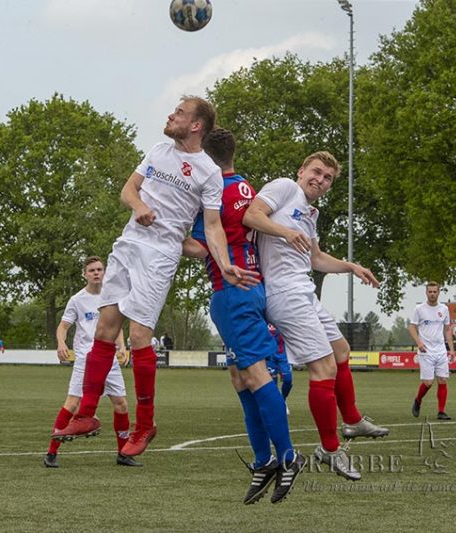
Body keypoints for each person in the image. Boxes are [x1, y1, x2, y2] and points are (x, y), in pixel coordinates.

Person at [52, 97, 257, 458]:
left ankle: (145, 424)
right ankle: (86, 415)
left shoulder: (209, 172)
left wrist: (224, 262)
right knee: (104, 331)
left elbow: (212, 226)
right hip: (127, 245)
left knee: (138, 335)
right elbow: (127, 190)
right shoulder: (159, 150)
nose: (171, 116)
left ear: (196, 125)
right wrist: (139, 206)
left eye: (179, 113)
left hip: (160, 255)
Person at [243, 150, 389, 482]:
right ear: (301, 170)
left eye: (327, 178)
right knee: (323, 368)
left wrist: (351, 267)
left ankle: (352, 420)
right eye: (316, 172)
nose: (320, 180)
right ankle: (330, 450)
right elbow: (252, 215)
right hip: (284, 293)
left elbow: (316, 258)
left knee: (341, 352)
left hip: (304, 290)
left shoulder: (310, 213)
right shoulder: (284, 187)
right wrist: (284, 232)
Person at [184, 128, 302, 503]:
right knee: (240, 378)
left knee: (254, 375)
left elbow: (200, 247)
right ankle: (263, 459)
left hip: (233, 290)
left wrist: (164, 232)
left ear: (205, 157)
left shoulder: (215, 193)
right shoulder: (244, 187)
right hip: (248, 287)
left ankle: (287, 457)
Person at [45, 256, 140, 468]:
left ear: (104, 272)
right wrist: (61, 343)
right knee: (72, 403)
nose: (96, 273)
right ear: (84, 274)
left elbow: (115, 326)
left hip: (108, 358)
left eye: (99, 269)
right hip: (85, 359)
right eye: (92, 270)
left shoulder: (111, 296)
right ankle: (51, 452)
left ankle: (123, 453)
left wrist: (121, 346)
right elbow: (63, 326)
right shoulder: (77, 300)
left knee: (121, 404)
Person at [408, 281, 455, 421]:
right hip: (426, 351)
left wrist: (451, 349)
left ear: (438, 292)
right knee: (428, 382)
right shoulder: (419, 309)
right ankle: (418, 400)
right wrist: (419, 343)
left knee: (443, 380)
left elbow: (447, 330)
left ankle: (441, 411)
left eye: (435, 292)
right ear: (426, 293)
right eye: (430, 292)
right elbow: (412, 327)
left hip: (441, 350)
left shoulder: (444, 309)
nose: (432, 294)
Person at [266, 324, 293, 413]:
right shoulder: (264, 321)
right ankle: (277, 404)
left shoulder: (282, 320)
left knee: (288, 380)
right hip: (270, 356)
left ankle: (283, 399)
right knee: (273, 382)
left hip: (284, 356)